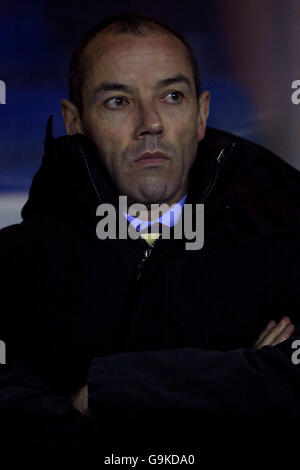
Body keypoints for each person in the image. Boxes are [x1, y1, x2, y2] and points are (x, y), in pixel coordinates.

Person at [0, 13, 299, 450]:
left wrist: (103, 391)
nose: (151, 123)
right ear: (74, 121)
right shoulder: (13, 264)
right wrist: (237, 376)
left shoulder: (286, 244)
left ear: (201, 114)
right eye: (118, 101)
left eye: (173, 96)